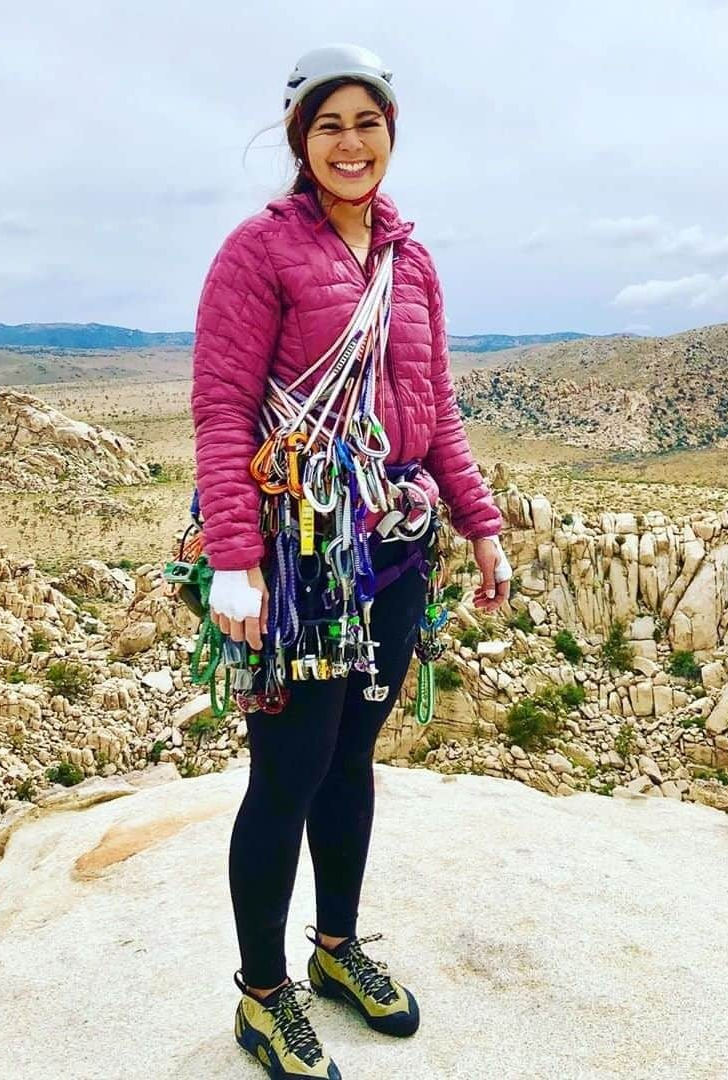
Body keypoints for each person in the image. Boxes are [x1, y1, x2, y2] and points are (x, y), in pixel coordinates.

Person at [191, 43, 513, 1079]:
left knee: (351, 758)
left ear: (391, 131)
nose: (350, 143)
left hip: (394, 553)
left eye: (366, 123)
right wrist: (235, 561)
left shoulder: (410, 261)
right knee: (288, 772)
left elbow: (435, 413)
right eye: (329, 125)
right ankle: (262, 993)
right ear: (300, 137)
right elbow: (223, 408)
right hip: (297, 561)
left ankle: (335, 952)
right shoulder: (260, 252)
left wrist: (480, 521)